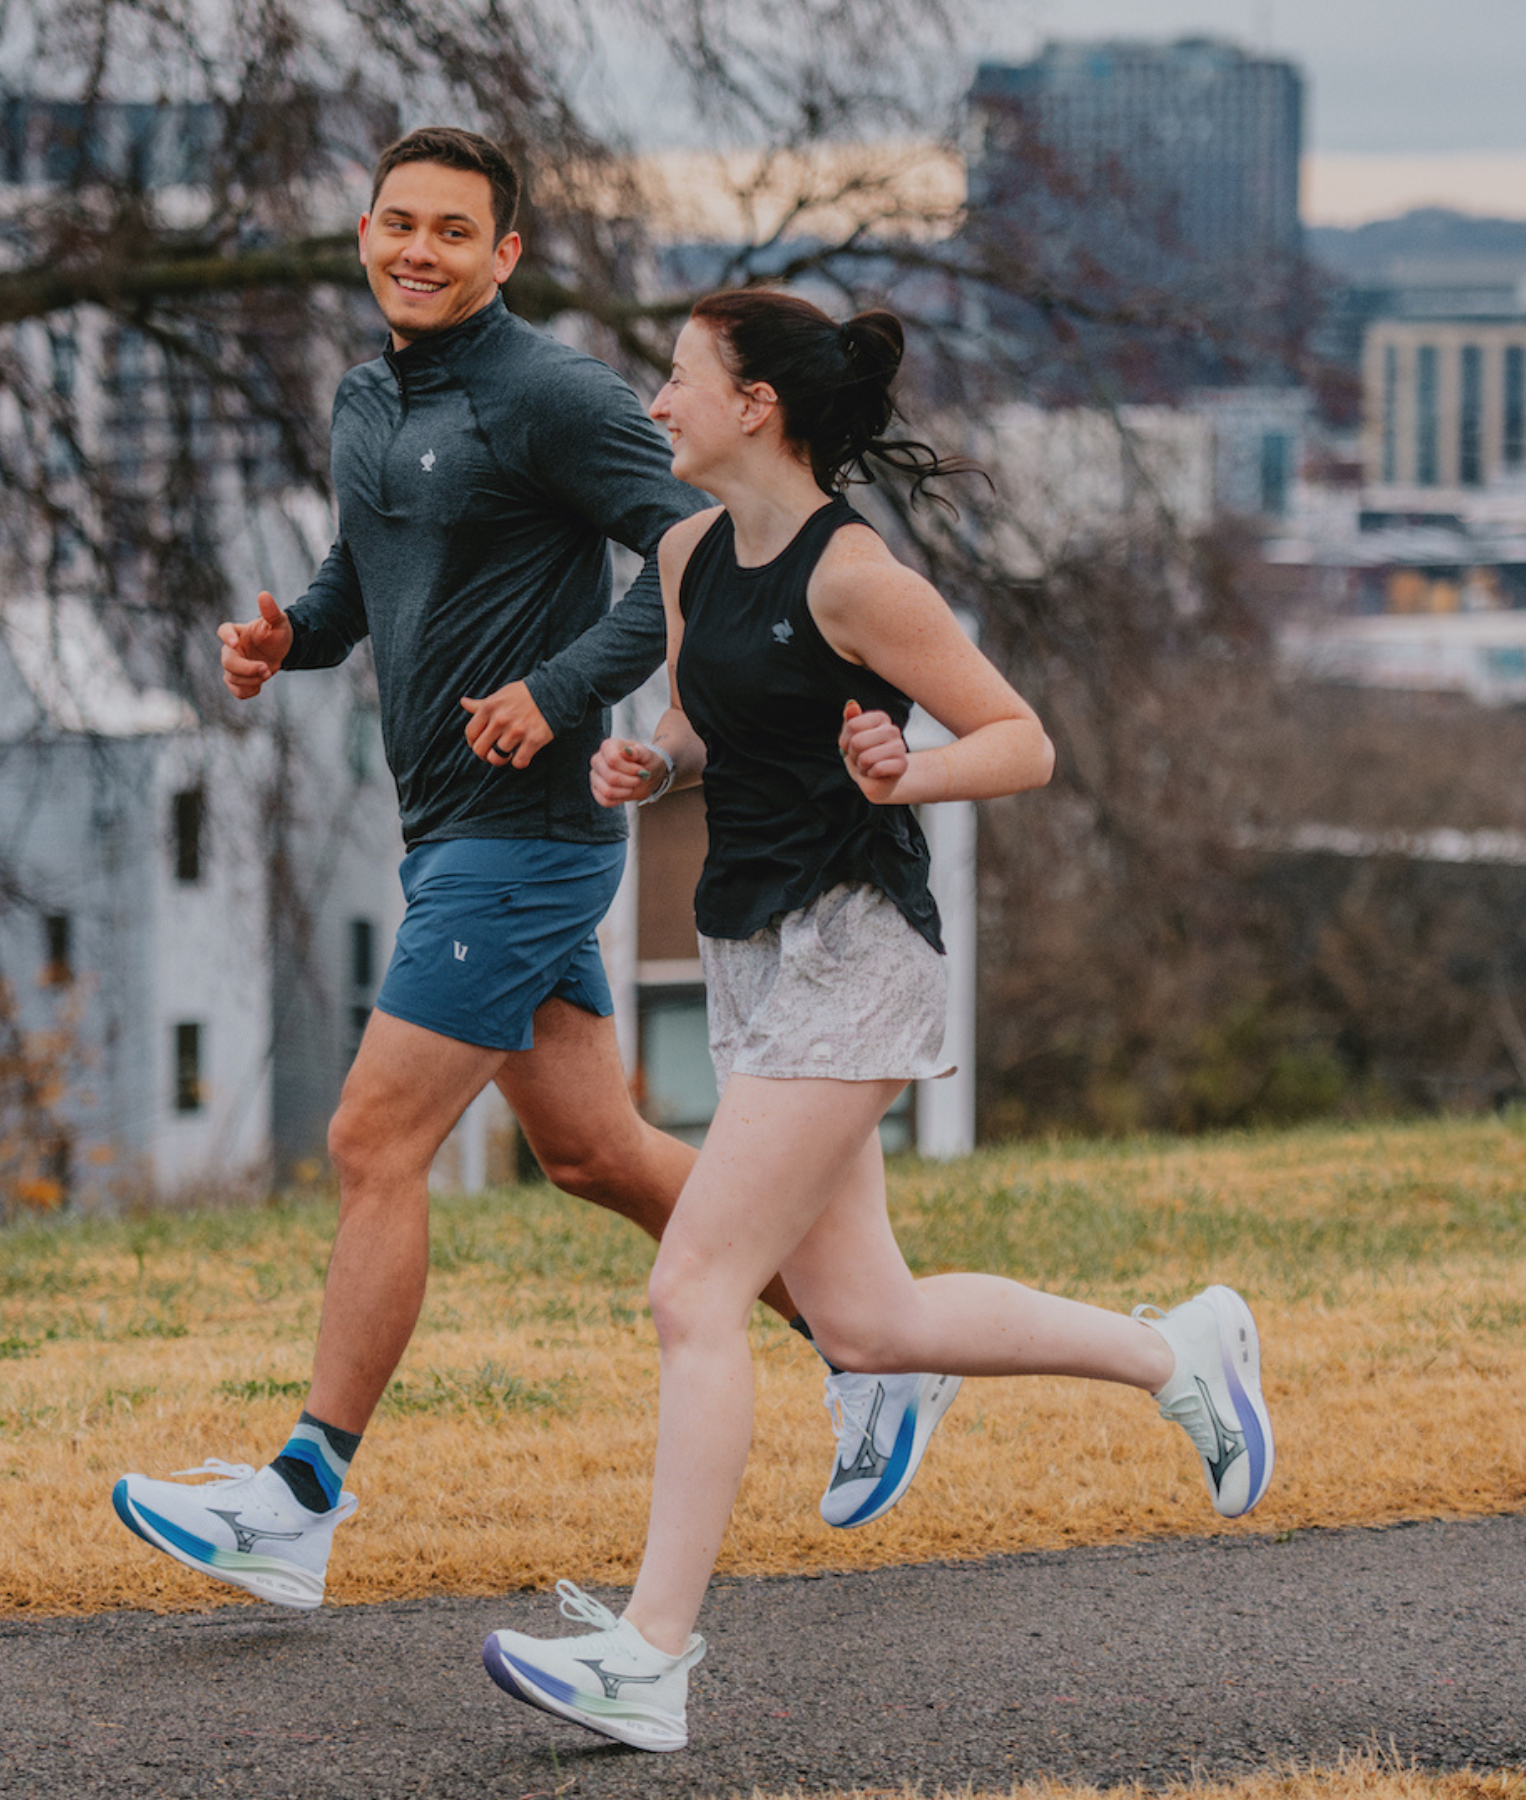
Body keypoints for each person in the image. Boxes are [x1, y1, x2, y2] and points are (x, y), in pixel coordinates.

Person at [111, 131, 955, 1610]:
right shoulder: (370, 393)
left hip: (528, 837)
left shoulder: (549, 396)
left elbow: (699, 550)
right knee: (598, 1152)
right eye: (395, 224)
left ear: (505, 254)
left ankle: (300, 1500)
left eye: (452, 230)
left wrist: (565, 691)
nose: (416, 249)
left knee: (374, 1142)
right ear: (364, 235)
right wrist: (288, 641)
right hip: (447, 824)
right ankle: (867, 1352)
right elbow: (365, 577)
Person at [481, 289, 1276, 1753]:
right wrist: (652, 767)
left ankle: (652, 1655)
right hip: (751, 951)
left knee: (694, 1293)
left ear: (756, 405)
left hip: (858, 949)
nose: (656, 405)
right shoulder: (682, 554)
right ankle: (1185, 1357)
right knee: (869, 1319)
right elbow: (713, 719)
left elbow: (1021, 742)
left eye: (676, 379)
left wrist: (906, 772)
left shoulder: (860, 580)